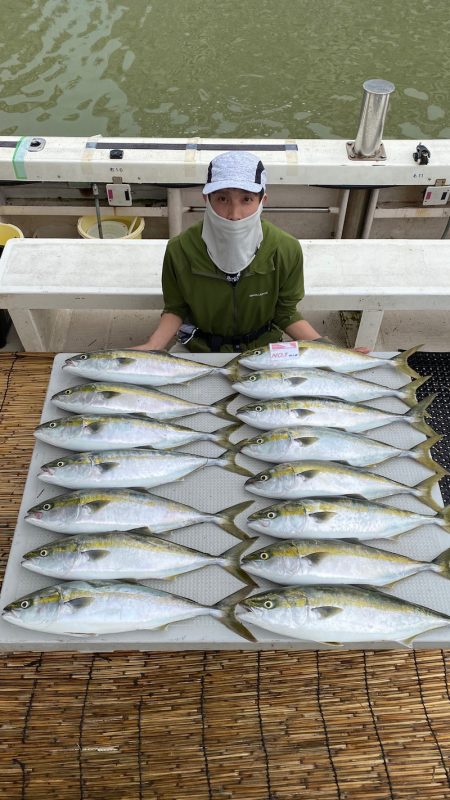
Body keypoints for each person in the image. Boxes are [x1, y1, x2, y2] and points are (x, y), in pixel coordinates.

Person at [133, 151, 343, 353]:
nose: (234, 214)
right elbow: (176, 308)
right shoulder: (179, 250)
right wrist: (153, 346)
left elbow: (285, 312)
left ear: (263, 201)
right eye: (222, 199)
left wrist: (329, 350)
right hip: (198, 347)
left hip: (265, 348)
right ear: (206, 199)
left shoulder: (286, 249)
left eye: (247, 199)